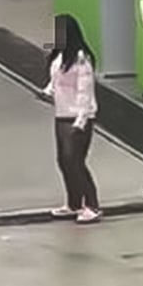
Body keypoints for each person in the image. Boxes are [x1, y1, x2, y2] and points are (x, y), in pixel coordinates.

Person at [41, 14, 102, 224]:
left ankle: (92, 205)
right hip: (61, 114)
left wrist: (80, 121)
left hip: (77, 117)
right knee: (64, 161)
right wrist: (48, 91)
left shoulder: (81, 59)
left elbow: (85, 92)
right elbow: (56, 80)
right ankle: (74, 203)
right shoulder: (60, 56)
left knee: (75, 161)